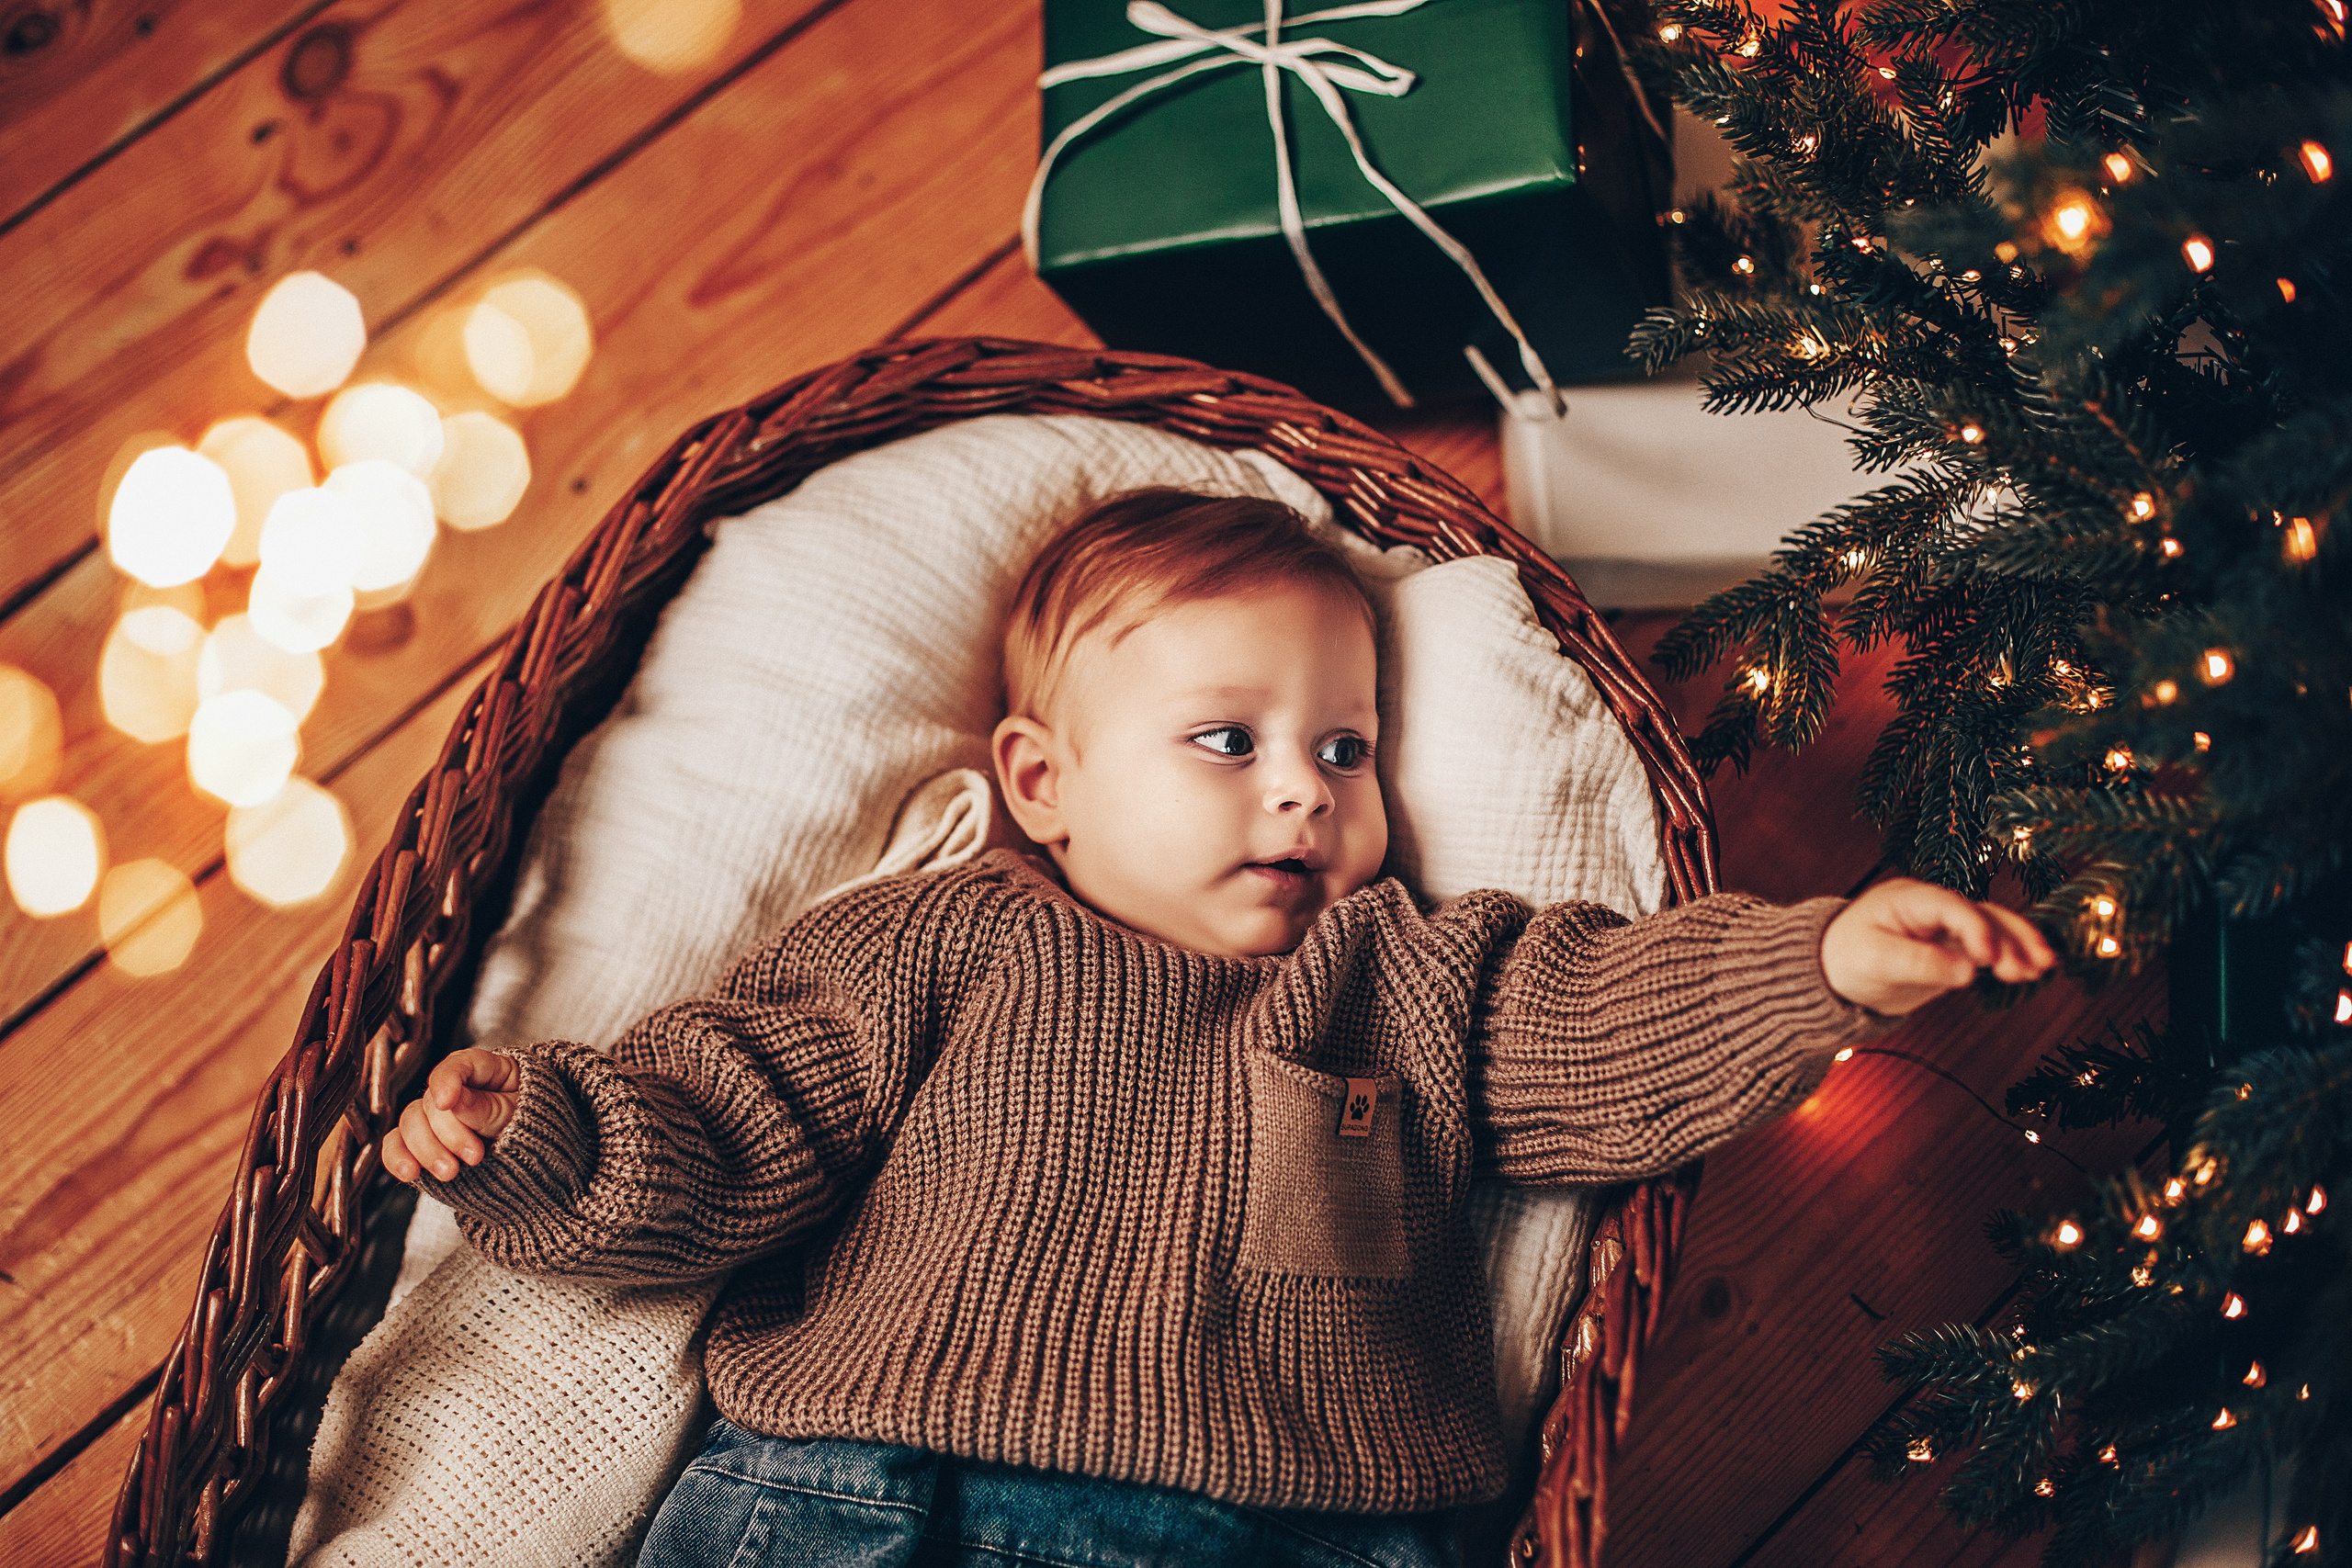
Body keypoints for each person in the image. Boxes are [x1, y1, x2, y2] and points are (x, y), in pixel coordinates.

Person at [384, 489, 2054, 1567]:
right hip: (861, 1498)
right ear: (1043, 781)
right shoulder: (948, 937)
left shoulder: (1412, 975)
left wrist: (1821, 962)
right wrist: (545, 1131)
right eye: (1225, 740)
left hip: (1294, 1530)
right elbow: (745, 1109)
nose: (1299, 793)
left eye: (1346, 749)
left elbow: (1601, 1021)